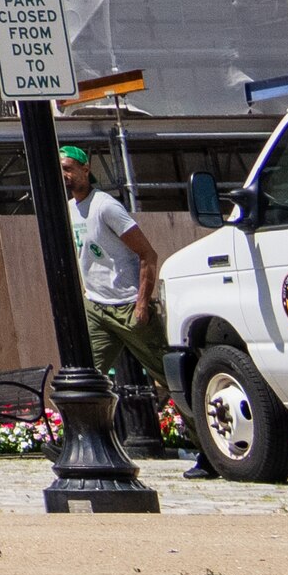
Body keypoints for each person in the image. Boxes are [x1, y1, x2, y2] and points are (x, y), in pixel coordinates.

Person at [62, 150, 171, 451]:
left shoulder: (106, 207)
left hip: (127, 303)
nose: (65, 176)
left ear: (86, 169)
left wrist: (142, 302)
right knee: (84, 376)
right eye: (61, 170)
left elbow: (148, 254)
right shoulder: (70, 209)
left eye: (69, 169)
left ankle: (206, 446)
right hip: (96, 305)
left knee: (168, 373)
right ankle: (78, 444)